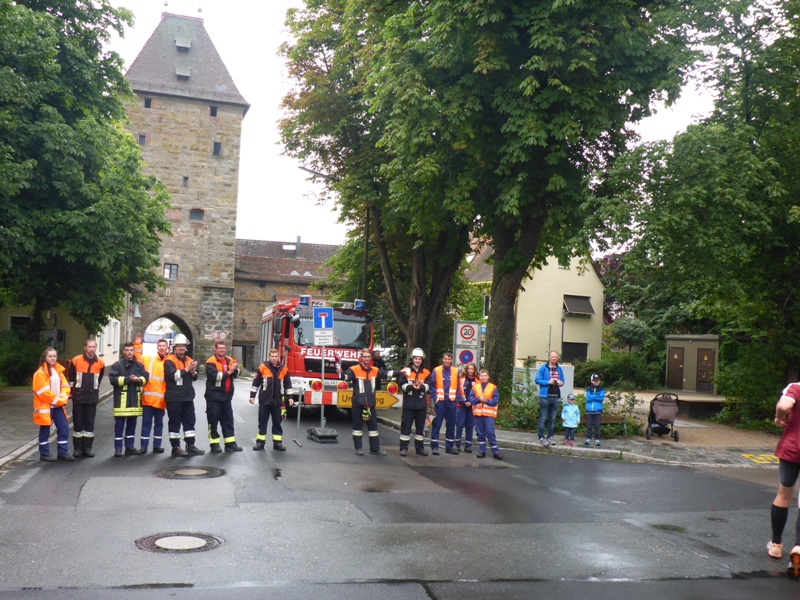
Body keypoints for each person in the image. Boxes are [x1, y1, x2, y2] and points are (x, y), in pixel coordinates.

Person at [336, 348, 396, 456]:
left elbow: (386, 373)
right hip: (358, 403)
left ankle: (375, 449)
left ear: (371, 358)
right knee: (357, 427)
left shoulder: (374, 370)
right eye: (365, 357)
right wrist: (339, 371)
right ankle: (358, 448)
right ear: (361, 358)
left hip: (370, 404)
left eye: (368, 357)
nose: (367, 359)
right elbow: (344, 377)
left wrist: (401, 372)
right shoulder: (354, 369)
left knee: (373, 428)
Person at [768, 382, 800, 577]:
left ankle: (776, 545)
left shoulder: (796, 387)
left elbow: (784, 405)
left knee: (783, 494)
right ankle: (798, 547)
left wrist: (779, 417)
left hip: (793, 447)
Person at [164, 333, 204, 457]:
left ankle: (190, 445)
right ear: (174, 348)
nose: (181, 348)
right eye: (179, 346)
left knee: (190, 421)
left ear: (186, 348)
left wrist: (192, 372)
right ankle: (175, 447)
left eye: (183, 346)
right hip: (174, 398)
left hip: (187, 397)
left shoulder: (189, 360)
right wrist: (187, 369)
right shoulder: (169, 361)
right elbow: (173, 376)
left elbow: (195, 377)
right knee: (175, 422)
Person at [32, 347, 73, 462]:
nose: (53, 358)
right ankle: (44, 453)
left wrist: (62, 399)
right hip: (46, 407)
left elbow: (65, 387)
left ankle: (63, 452)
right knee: (45, 429)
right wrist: (59, 401)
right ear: (45, 358)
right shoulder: (40, 373)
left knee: (64, 427)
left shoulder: (58, 371)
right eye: (50, 356)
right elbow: (44, 393)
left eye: (54, 356)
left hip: (57, 406)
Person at [249, 348, 293, 451]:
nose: (274, 358)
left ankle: (277, 443)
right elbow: (256, 383)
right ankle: (260, 443)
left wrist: (290, 397)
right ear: (269, 357)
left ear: (278, 357)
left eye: (275, 356)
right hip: (264, 400)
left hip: (278, 401)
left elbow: (288, 385)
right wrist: (252, 396)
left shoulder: (284, 369)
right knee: (262, 422)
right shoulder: (262, 368)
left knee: (277, 423)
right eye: (272, 356)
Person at [109, 341, 148, 457]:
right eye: (127, 350)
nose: (129, 352)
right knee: (119, 426)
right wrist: (128, 379)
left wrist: (139, 380)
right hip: (121, 402)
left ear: (134, 351)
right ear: (123, 351)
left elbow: (146, 377)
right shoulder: (117, 365)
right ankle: (118, 448)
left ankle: (129, 447)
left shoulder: (139, 366)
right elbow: (113, 380)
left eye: (131, 350)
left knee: (132, 426)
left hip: (134, 401)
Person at [67, 338, 105, 458]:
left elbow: (99, 380)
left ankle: (88, 448)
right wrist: (71, 393)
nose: (92, 349)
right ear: (85, 347)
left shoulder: (100, 363)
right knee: (78, 424)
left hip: (92, 398)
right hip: (78, 397)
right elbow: (71, 379)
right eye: (89, 347)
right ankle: (77, 448)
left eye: (94, 347)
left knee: (89, 424)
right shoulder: (76, 360)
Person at [205, 341, 242, 453]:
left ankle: (230, 444)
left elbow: (236, 374)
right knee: (213, 421)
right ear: (215, 349)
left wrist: (235, 370)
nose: (222, 350)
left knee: (228, 421)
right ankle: (214, 444)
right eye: (220, 348)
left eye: (223, 348)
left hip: (226, 397)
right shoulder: (211, 362)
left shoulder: (229, 360)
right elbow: (215, 377)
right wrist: (230, 371)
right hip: (214, 397)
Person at [427, 352, 463, 455]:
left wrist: (457, 399)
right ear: (443, 359)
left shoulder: (455, 371)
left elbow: (458, 387)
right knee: (437, 424)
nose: (447, 361)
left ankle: (449, 447)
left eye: (449, 359)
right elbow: (432, 385)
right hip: (440, 402)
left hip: (451, 402)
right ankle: (434, 447)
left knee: (451, 425)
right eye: (445, 359)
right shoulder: (437, 370)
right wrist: (435, 398)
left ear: (451, 360)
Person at [397, 347, 430, 457]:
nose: (417, 361)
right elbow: (402, 385)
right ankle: (403, 448)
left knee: (420, 428)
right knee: (406, 427)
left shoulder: (426, 372)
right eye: (416, 358)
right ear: (412, 359)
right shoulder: (405, 371)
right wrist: (412, 386)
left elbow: (429, 386)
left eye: (419, 359)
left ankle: (419, 449)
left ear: (422, 360)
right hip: (409, 404)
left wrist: (421, 387)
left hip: (421, 405)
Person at [140, 339, 169, 453]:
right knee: (146, 423)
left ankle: (157, 446)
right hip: (148, 399)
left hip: (161, 400)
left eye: (163, 346)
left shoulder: (169, 361)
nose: (161, 348)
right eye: (160, 346)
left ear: (167, 348)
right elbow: (136, 357)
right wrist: (137, 344)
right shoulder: (149, 359)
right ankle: (143, 446)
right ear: (157, 347)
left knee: (159, 424)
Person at [469, 368, 502, 460]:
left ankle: (495, 451)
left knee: (490, 432)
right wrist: (479, 399)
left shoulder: (493, 387)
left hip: (488, 415)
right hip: (478, 414)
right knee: (480, 433)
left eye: (485, 376)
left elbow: (495, 400)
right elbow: (471, 399)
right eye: (482, 376)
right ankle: (481, 451)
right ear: (479, 377)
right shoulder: (475, 387)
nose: (483, 377)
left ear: (488, 377)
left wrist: (486, 401)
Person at [535, 350, 564, 447]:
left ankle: (550, 437)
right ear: (549, 357)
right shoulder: (543, 367)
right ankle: (541, 437)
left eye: (556, 357)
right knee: (543, 418)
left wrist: (561, 383)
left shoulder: (559, 368)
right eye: (553, 357)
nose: (554, 358)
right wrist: (548, 382)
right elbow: (537, 380)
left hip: (555, 396)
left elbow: (563, 380)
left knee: (552, 419)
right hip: (545, 396)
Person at [455, 362, 478, 453]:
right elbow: (457, 393)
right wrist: (464, 402)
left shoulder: (478, 381)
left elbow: (479, 394)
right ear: (466, 370)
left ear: (474, 370)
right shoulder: (461, 380)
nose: (470, 371)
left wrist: (472, 402)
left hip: (472, 407)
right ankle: (457, 445)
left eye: (472, 369)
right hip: (461, 406)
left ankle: (468, 446)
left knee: (470, 426)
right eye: (469, 369)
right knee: (459, 425)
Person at [585, 373, 606, 447]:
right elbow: (588, 399)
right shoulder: (588, 389)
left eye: (597, 380)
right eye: (594, 380)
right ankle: (588, 438)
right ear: (592, 381)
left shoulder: (602, 389)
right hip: (589, 410)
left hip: (598, 410)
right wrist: (596, 396)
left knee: (597, 426)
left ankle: (597, 439)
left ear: (599, 381)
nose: (596, 382)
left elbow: (601, 398)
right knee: (589, 426)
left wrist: (592, 396)